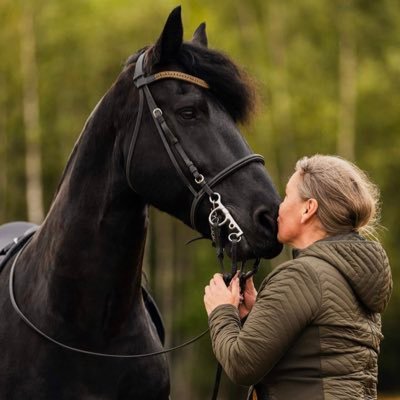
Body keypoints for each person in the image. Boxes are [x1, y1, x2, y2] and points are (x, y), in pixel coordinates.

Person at [204, 154, 392, 400]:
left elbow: (241, 364)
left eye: (286, 196)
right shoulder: (351, 275)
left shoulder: (302, 276)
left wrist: (221, 311)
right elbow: (314, 360)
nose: (279, 207)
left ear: (308, 208)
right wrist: (258, 316)